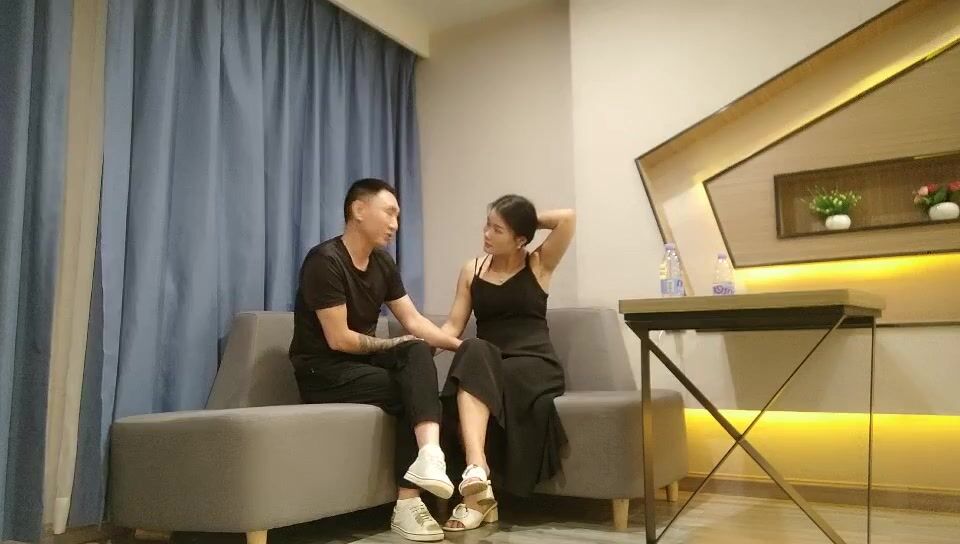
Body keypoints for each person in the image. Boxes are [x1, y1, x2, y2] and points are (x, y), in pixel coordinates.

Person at [289, 178, 462, 542]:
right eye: (389, 213)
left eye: (398, 216)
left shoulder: (382, 262)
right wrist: (394, 344)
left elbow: (413, 320)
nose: (395, 224)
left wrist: (459, 346)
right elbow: (339, 339)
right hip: (323, 372)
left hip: (360, 367)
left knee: (416, 351)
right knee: (410, 388)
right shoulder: (325, 261)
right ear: (358, 210)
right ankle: (407, 503)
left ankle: (430, 455)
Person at [437, 195, 576, 532]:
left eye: (497, 229)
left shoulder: (538, 263)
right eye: (487, 225)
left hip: (534, 363)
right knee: (474, 351)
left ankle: (475, 495)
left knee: (475, 381)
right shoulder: (472, 270)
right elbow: (453, 326)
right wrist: (420, 349)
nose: (486, 234)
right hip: (490, 362)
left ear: (520, 240)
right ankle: (477, 470)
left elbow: (567, 218)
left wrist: (522, 220)